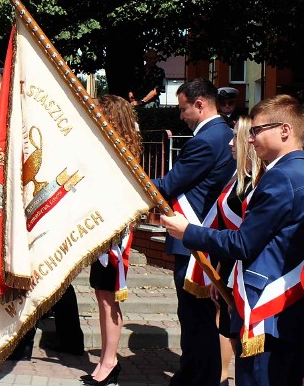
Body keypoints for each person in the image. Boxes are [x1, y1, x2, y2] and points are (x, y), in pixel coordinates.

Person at [162, 94, 304, 385]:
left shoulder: (281, 177)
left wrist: (187, 231)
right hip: (291, 305)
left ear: (285, 130)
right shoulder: (300, 171)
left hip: (268, 306)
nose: (249, 139)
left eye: (256, 131)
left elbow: (244, 243)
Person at [151, 78, 236, 386]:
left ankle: (196, 379)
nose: (181, 115)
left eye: (183, 108)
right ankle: (204, 376)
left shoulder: (205, 140)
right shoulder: (224, 133)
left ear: (200, 105)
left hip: (194, 240)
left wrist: (131, 180)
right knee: (201, 319)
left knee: (195, 319)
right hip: (207, 237)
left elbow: (168, 185)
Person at [81, 95, 142, 386]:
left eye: (100, 112)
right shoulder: (106, 147)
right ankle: (107, 359)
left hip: (113, 236)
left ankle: (110, 361)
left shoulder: (122, 153)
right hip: (101, 232)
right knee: (102, 296)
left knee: (108, 298)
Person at [209, 116, 266, 386]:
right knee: (227, 323)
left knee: (240, 328)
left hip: (247, 270)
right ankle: (222, 377)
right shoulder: (236, 177)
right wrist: (218, 272)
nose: (231, 143)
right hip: (230, 265)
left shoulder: (258, 183)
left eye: (235, 137)